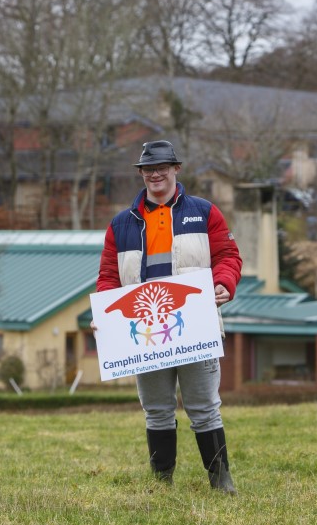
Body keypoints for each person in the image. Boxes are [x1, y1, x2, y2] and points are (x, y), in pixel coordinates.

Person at [96, 140, 242, 494]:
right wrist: (103, 313)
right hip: (144, 329)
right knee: (157, 410)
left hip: (195, 324)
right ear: (141, 173)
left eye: (162, 167)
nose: (155, 174)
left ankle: (221, 481)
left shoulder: (205, 212)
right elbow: (108, 278)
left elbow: (228, 256)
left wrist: (224, 283)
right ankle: (162, 483)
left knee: (204, 408)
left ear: (176, 169)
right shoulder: (121, 223)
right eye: (148, 168)